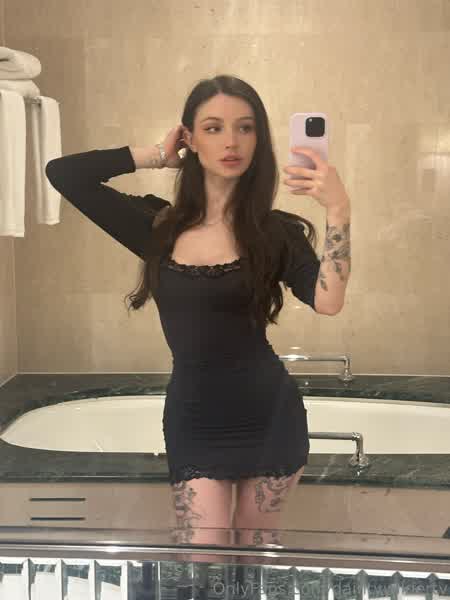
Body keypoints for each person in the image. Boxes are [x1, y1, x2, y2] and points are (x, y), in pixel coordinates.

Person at [45, 74, 351, 563]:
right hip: (195, 419)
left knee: (254, 558)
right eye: (213, 128)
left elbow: (329, 299)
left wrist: (338, 207)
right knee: (201, 556)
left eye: (245, 128)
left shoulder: (275, 233)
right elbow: (64, 173)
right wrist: (155, 155)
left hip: (269, 416)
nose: (231, 141)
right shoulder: (157, 227)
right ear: (189, 137)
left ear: (259, 140)